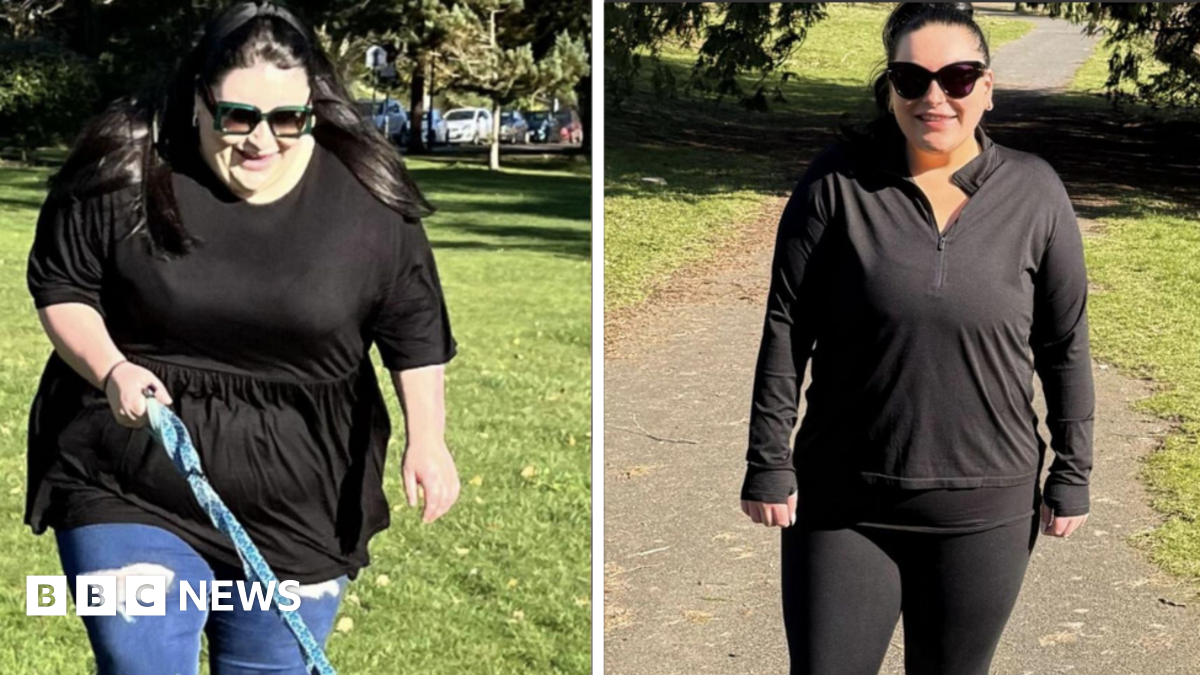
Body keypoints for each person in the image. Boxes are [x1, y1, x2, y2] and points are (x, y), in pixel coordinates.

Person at [24, 2, 459, 673]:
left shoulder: (367, 199)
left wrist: (428, 438)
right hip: (131, 469)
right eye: (238, 116)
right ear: (200, 98)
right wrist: (110, 367)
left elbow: (414, 322)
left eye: (289, 118)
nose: (262, 139)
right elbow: (64, 285)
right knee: (139, 657)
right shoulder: (126, 169)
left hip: (302, 495)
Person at [738, 4, 1094, 674]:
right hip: (844, 500)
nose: (936, 96)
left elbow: (1064, 343)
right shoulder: (835, 186)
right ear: (891, 90)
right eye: (912, 78)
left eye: (958, 78)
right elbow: (788, 324)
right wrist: (768, 457)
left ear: (987, 88)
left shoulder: (1035, 192)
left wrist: (1073, 469)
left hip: (986, 506)